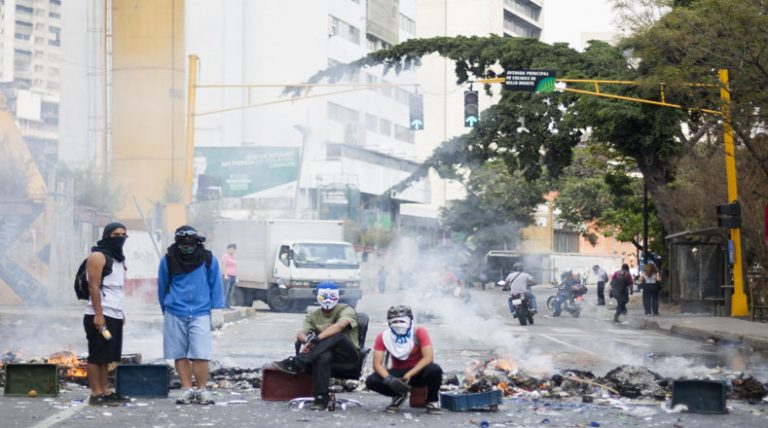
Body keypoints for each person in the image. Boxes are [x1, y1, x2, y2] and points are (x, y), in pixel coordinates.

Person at [158, 225, 224, 405]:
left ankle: (201, 390)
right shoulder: (168, 260)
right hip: (174, 311)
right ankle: (186, 390)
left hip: (201, 312)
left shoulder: (208, 259)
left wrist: (217, 309)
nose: (187, 247)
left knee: (201, 354)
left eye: (190, 243)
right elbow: (162, 287)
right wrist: (166, 310)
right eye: (183, 243)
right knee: (179, 354)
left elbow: (216, 284)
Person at [272, 282, 359, 410]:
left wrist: (316, 340)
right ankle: (321, 398)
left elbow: (341, 325)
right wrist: (307, 340)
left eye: (331, 295)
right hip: (323, 354)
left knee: (336, 334)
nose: (328, 299)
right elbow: (301, 333)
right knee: (324, 355)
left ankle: (297, 362)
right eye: (324, 295)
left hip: (347, 355)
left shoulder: (346, 309)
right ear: (316, 295)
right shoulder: (313, 315)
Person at [83, 222, 130, 406]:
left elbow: (116, 289)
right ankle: (96, 394)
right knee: (97, 356)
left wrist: (121, 312)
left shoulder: (119, 259)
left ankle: (106, 391)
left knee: (106, 357)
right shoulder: (97, 256)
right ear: (107, 235)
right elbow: (93, 286)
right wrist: (98, 314)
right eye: (116, 235)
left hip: (114, 313)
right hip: (100, 313)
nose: (121, 238)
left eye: (124, 235)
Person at [366, 305, 443, 415]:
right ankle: (399, 394)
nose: (398, 324)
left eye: (402, 321)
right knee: (371, 381)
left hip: (418, 372)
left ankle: (432, 401)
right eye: (394, 321)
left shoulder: (419, 332)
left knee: (435, 369)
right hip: (398, 373)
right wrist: (390, 379)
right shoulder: (384, 337)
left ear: (410, 320)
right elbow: (377, 364)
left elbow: (428, 357)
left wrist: (410, 374)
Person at [220, 243, 237, 308]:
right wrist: (225, 275)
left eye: (233, 249)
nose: (231, 250)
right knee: (225, 291)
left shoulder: (233, 257)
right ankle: (223, 305)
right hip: (227, 276)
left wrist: (236, 277)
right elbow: (223, 265)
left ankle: (228, 305)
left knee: (230, 292)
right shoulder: (225, 256)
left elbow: (235, 267)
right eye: (230, 249)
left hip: (233, 276)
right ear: (227, 249)